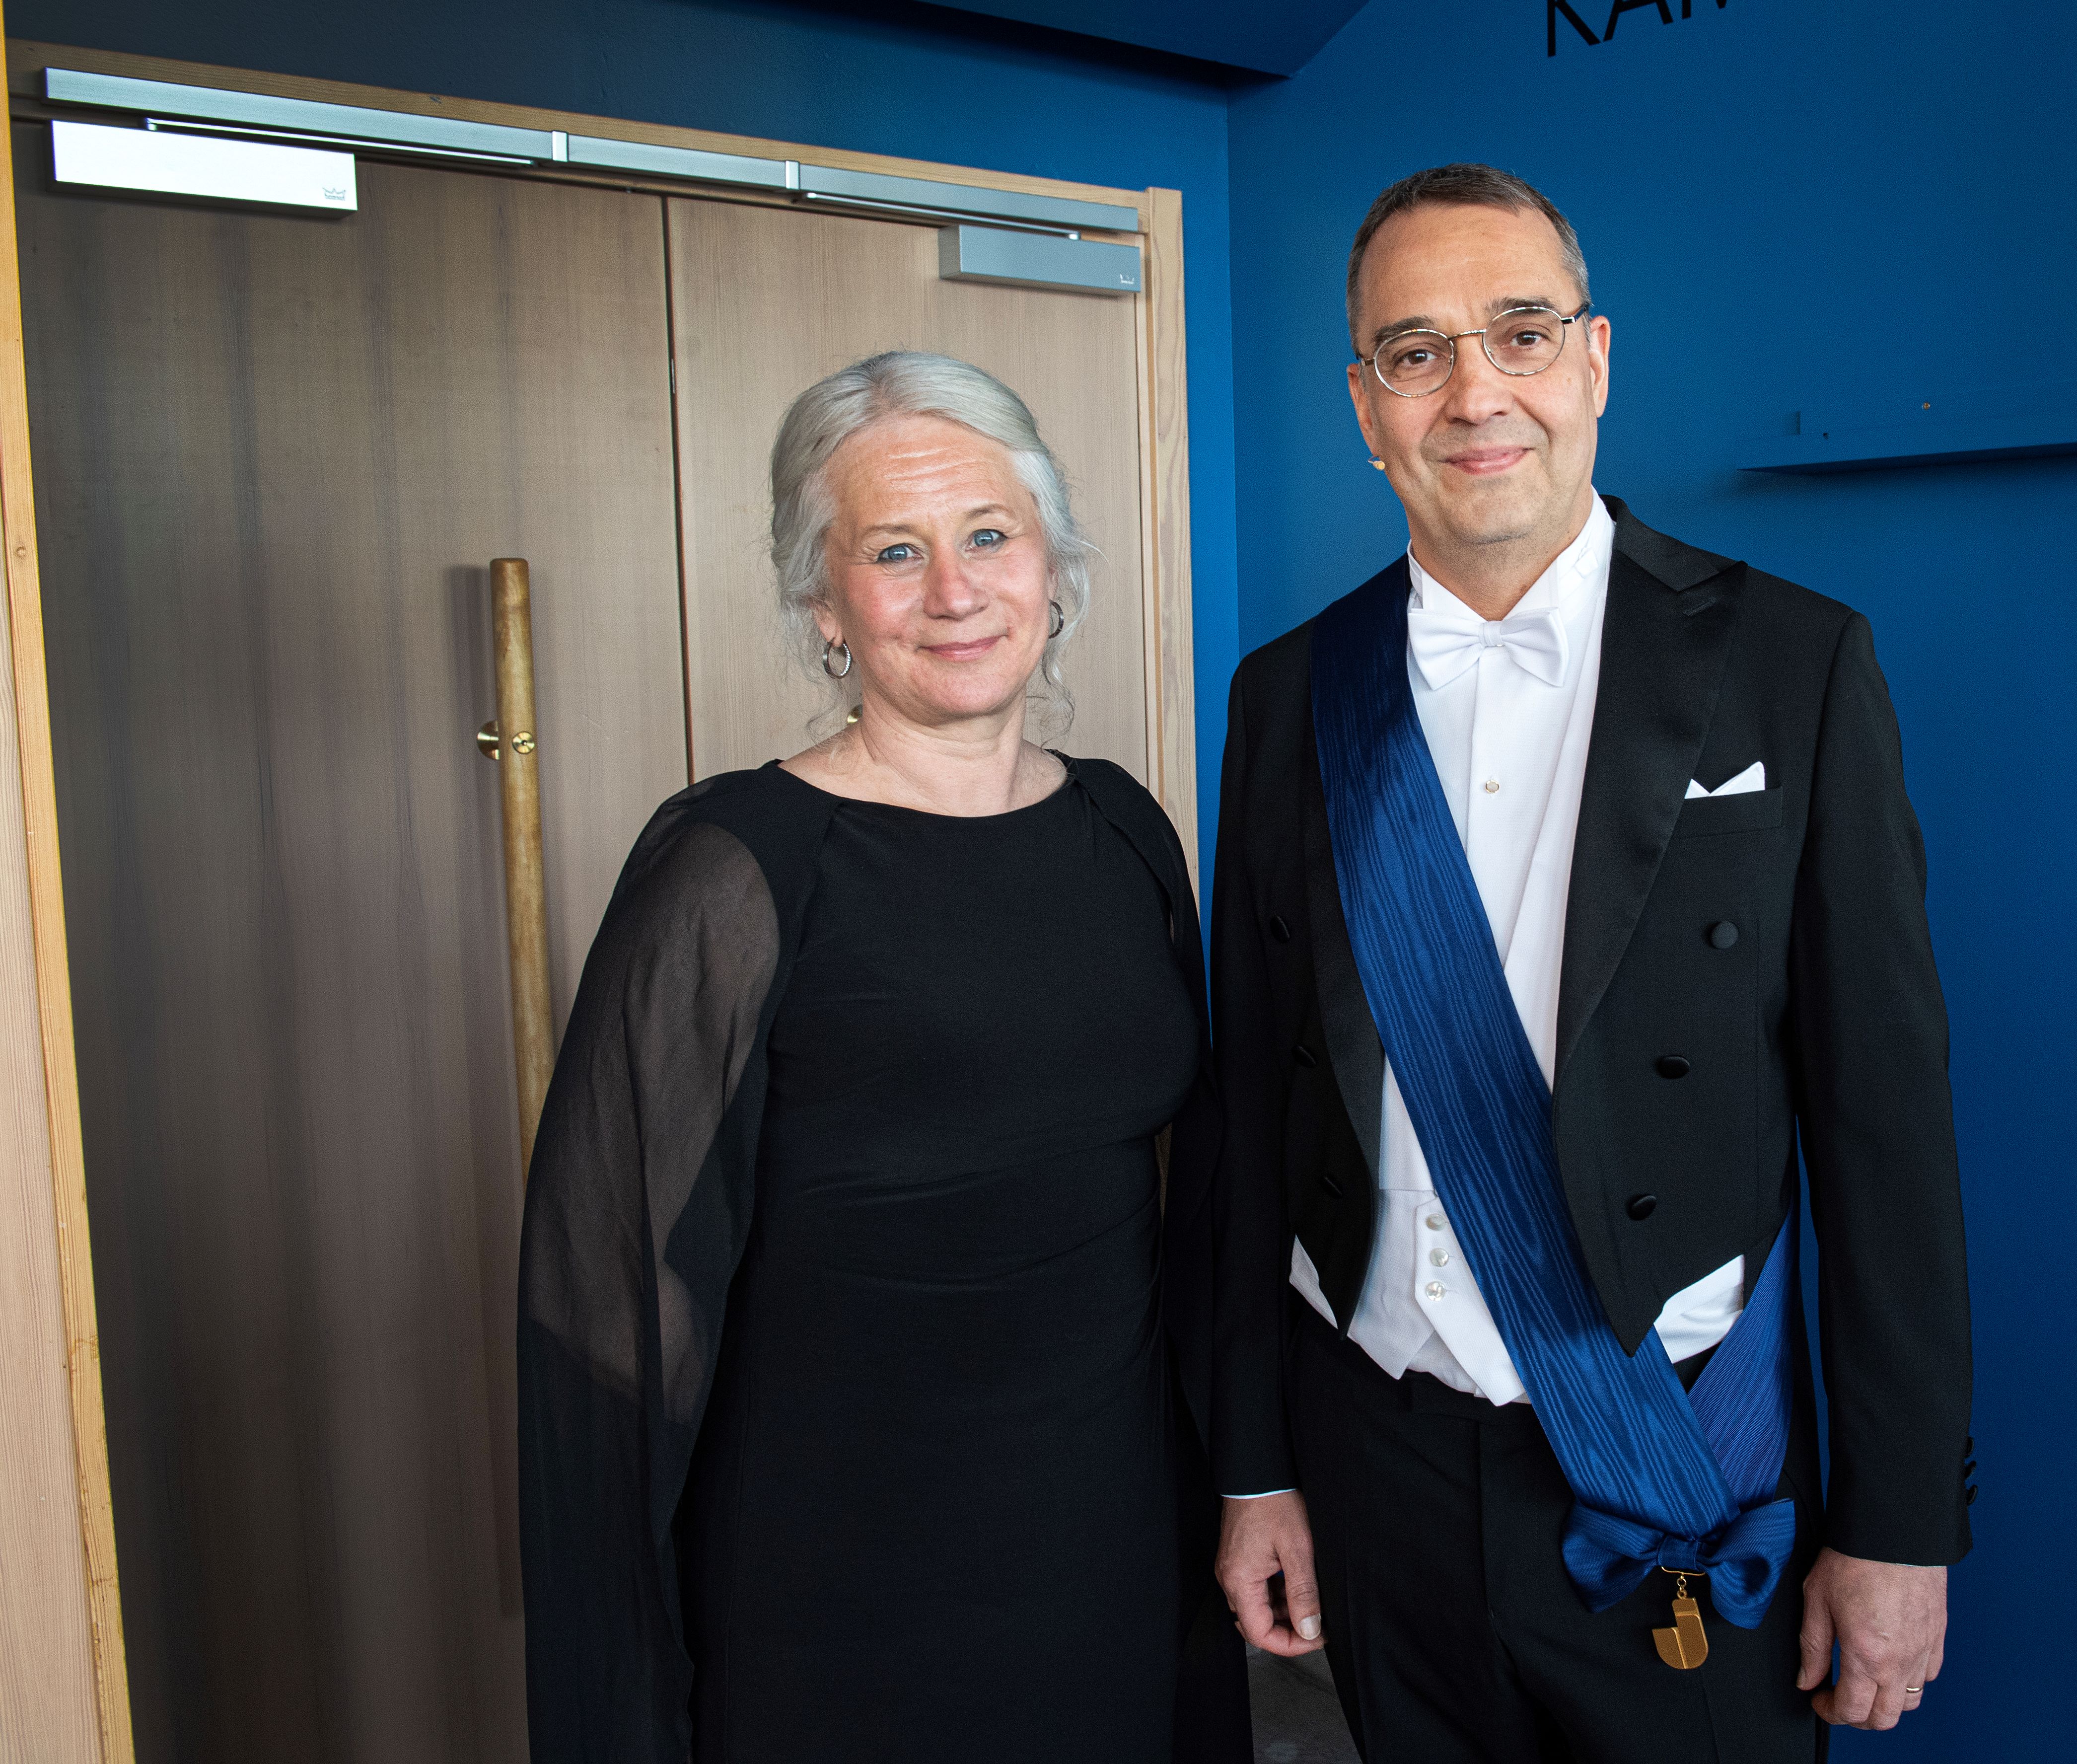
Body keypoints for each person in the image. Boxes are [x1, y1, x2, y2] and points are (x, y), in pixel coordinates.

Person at [1209, 165, 1977, 1762]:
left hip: (1674, 1456)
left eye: (1520, 333)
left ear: (1595, 359)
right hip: (1374, 1465)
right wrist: (1252, 1465)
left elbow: (1885, 1130)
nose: (1473, 392)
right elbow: (1244, 1118)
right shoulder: (1286, 695)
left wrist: (1898, 1524)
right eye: (1414, 352)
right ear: (1363, 404)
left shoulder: (1793, 663)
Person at [518, 351, 1245, 1763]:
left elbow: (1190, 1192)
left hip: (1106, 1525)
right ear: (824, 604)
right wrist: (623, 1680)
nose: (955, 591)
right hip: (838, 1566)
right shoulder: (737, 867)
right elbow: (600, 1300)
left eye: (989, 535)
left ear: (1051, 565)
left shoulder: (1124, 831)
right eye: (894, 552)